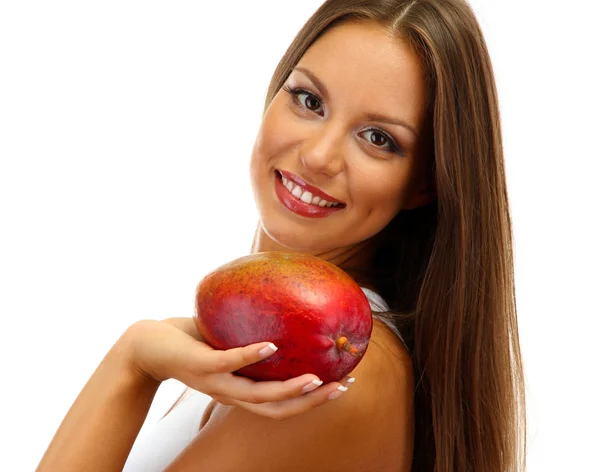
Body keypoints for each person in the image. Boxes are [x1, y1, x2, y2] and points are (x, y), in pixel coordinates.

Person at [36, 0, 527, 471]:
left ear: (425, 183)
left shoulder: (338, 372)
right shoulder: (276, 342)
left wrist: (133, 362)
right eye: (309, 100)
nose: (318, 156)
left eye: (379, 138)